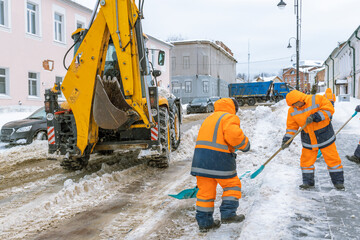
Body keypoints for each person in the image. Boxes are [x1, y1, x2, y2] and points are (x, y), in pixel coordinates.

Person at [190, 98, 250, 232]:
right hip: (218, 159)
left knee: (205, 193)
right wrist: (245, 145)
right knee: (232, 185)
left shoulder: (209, 118)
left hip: (200, 161)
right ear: (233, 108)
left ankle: (205, 223)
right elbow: (234, 136)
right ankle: (228, 214)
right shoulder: (229, 117)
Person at [282, 90, 344, 190]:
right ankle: (308, 182)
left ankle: (338, 182)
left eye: (297, 103)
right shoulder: (292, 111)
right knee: (306, 162)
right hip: (308, 139)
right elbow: (291, 127)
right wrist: (287, 139)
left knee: (333, 160)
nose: (296, 106)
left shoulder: (316, 99)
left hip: (325, 135)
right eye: (293, 105)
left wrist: (317, 116)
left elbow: (329, 109)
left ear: (301, 99)